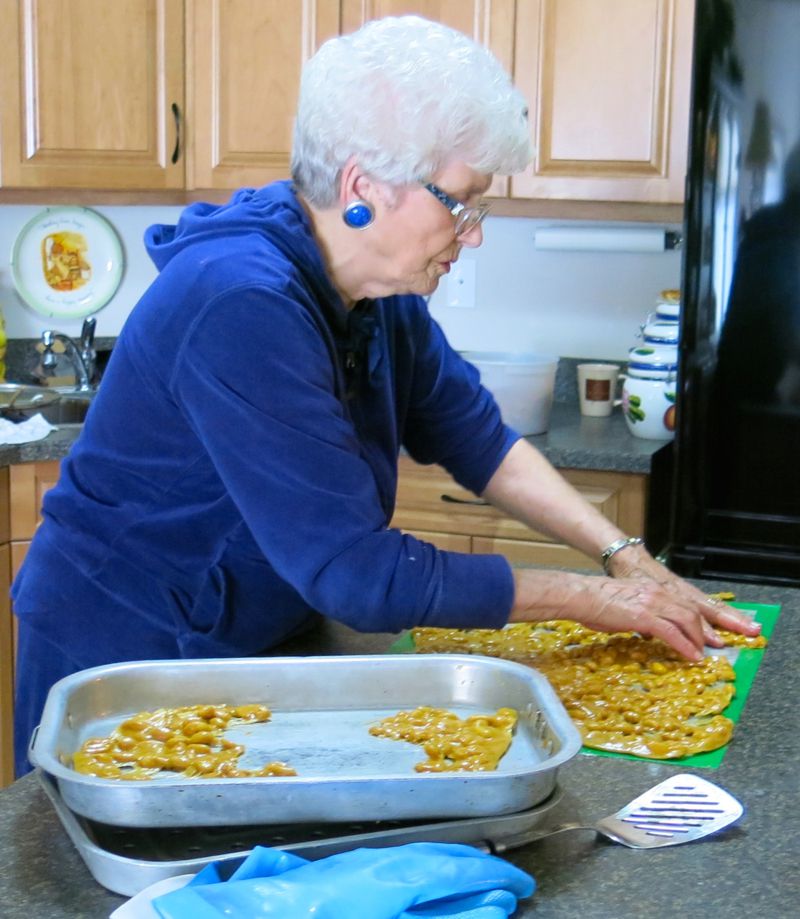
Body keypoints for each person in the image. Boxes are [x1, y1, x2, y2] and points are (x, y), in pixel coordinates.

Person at [12, 15, 759, 776]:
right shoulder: (238, 303)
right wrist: (595, 600)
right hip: (129, 654)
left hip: (250, 635)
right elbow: (356, 572)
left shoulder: (380, 291)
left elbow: (478, 438)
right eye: (460, 202)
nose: (472, 234)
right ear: (363, 187)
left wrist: (622, 555)